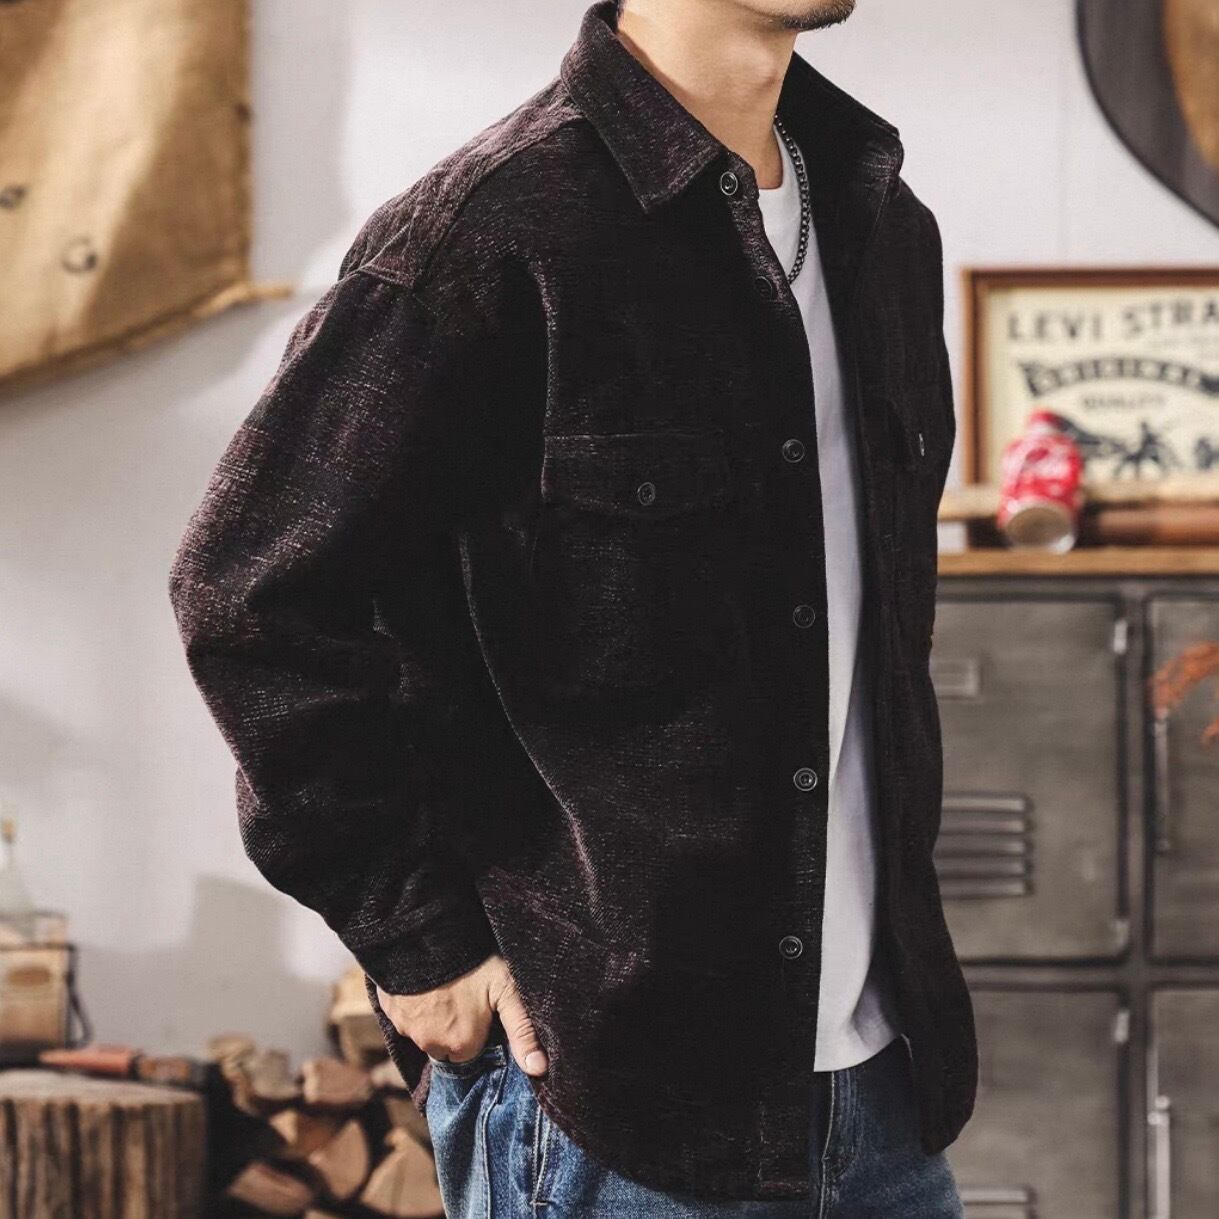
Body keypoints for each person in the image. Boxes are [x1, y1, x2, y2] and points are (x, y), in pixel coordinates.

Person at [169, 0, 976, 1213]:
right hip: (611, 1105)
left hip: (883, 1098)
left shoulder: (882, 223)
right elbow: (248, 592)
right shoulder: (494, 232)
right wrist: (417, 940)